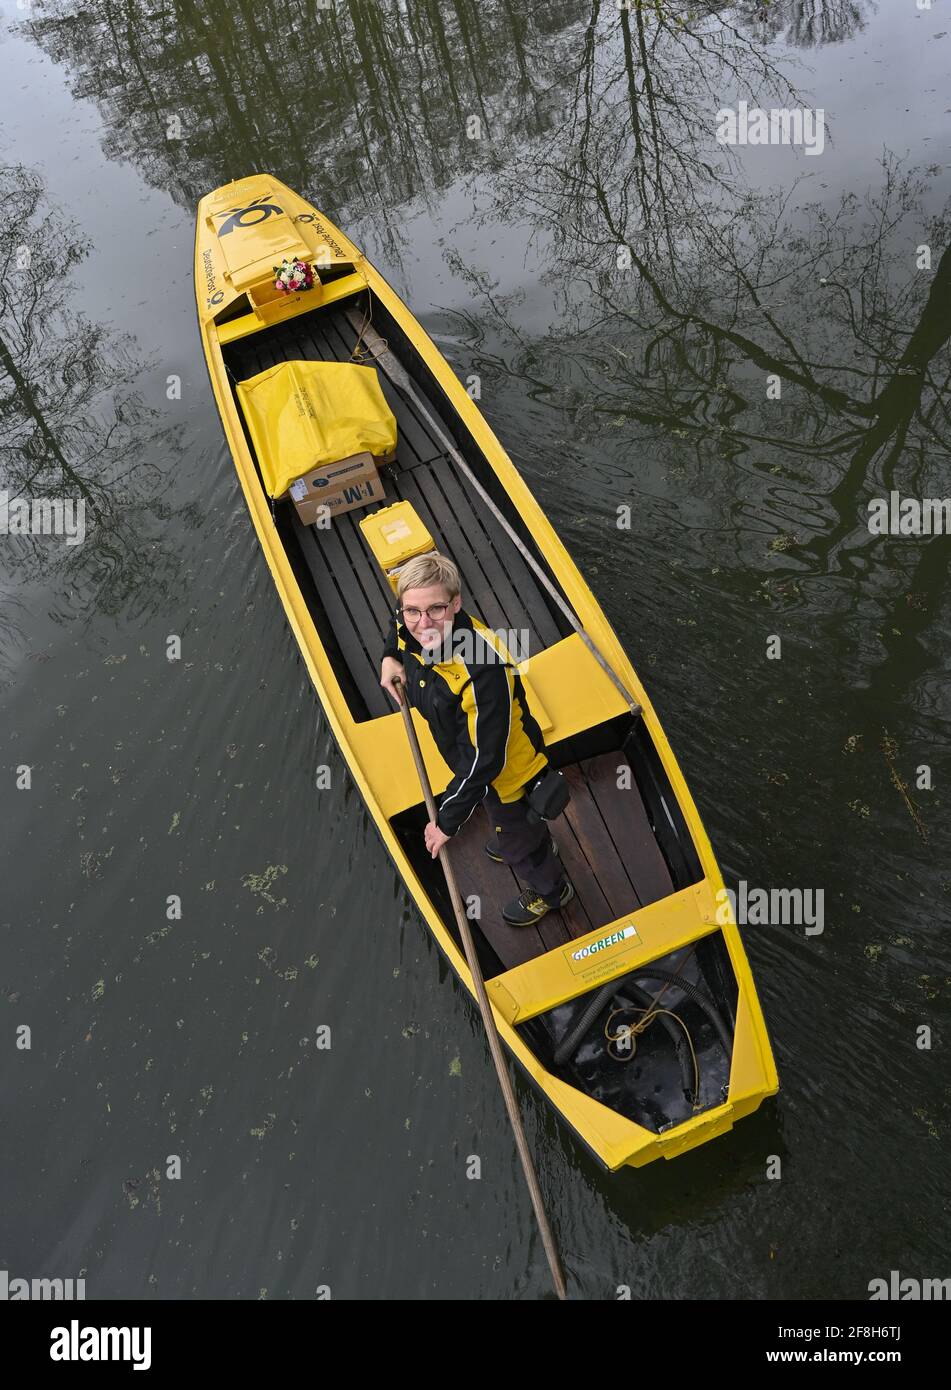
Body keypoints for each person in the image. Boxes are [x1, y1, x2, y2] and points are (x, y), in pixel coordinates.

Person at [380, 552, 573, 926]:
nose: (423, 624)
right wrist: (391, 657)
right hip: (476, 768)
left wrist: (446, 823)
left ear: (456, 603)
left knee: (521, 843)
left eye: (436, 610)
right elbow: (397, 624)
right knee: (507, 824)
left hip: (507, 777)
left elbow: (487, 761)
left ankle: (552, 891)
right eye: (412, 611)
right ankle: (525, 839)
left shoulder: (483, 667)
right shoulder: (412, 623)